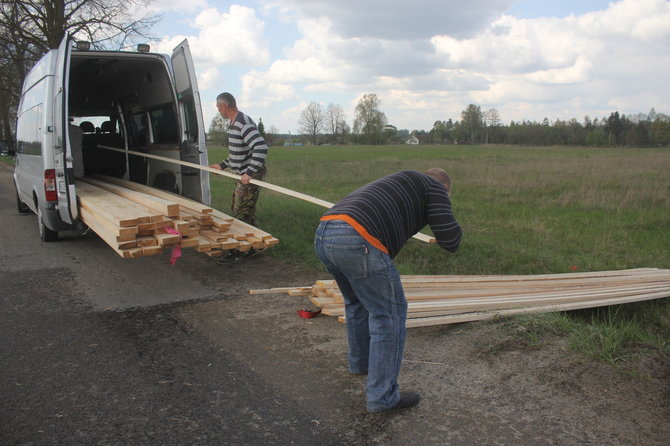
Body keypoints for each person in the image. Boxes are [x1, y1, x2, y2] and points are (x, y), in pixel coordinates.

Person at [314, 168, 462, 414]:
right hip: (357, 239)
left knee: (357, 303)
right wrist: (446, 207)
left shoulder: (406, 180)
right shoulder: (435, 187)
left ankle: (360, 364)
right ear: (445, 188)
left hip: (325, 232)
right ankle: (383, 397)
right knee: (389, 315)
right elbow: (450, 240)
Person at [209, 92, 269, 262]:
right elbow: (238, 153)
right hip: (243, 175)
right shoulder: (234, 124)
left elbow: (261, 147)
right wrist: (222, 165)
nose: (218, 111)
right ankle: (256, 244)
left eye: (218, 108)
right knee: (243, 211)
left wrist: (249, 173)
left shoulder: (243, 123)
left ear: (223, 107)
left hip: (250, 176)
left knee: (240, 212)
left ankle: (240, 251)